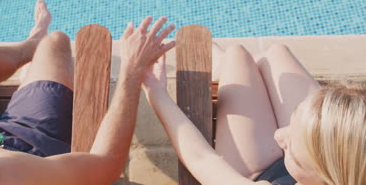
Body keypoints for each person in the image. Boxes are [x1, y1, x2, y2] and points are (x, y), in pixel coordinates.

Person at [0, 0, 176, 185]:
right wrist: (132, 70)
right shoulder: (2, 175)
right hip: (32, 147)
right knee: (55, 42)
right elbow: (106, 165)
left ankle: (29, 47)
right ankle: (37, 45)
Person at [143, 43, 365, 185]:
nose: (279, 135)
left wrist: (155, 90)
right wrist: (297, 147)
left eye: (290, 148)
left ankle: (231, 65)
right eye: (295, 116)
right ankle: (238, 66)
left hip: (259, 173)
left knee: (237, 55)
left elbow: (201, 159)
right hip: (302, 168)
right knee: (276, 53)